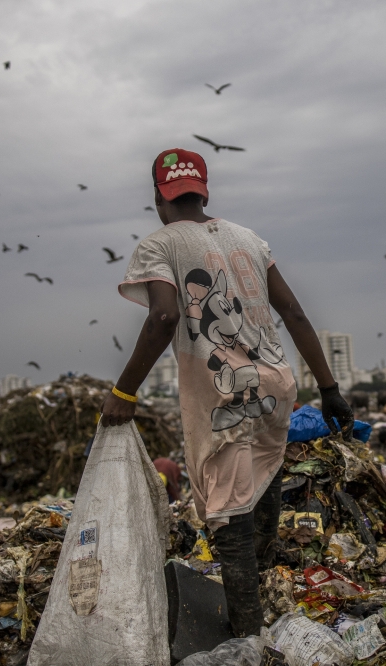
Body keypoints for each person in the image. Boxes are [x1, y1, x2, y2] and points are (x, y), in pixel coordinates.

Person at [101, 148, 354, 637]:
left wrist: (124, 392)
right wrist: (330, 389)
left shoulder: (159, 245)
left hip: (224, 394)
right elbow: (295, 313)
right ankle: (261, 593)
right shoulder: (249, 239)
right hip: (277, 386)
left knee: (229, 516)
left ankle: (248, 636)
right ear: (204, 191)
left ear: (158, 197)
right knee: (262, 485)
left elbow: (162, 317)